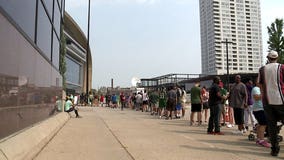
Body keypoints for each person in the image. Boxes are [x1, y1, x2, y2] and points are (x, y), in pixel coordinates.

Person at [258, 50, 284, 156]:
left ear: (268, 58)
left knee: (272, 126)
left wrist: (264, 93)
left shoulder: (263, 69)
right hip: (281, 100)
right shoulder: (282, 67)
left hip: (268, 101)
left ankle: (274, 150)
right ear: (277, 57)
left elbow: (259, 84)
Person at [251, 80, 271, 148]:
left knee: (260, 124)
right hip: (259, 109)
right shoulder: (256, 88)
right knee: (263, 124)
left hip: (259, 109)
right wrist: (264, 93)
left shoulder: (259, 89)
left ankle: (259, 139)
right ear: (257, 83)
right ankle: (262, 140)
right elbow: (256, 97)